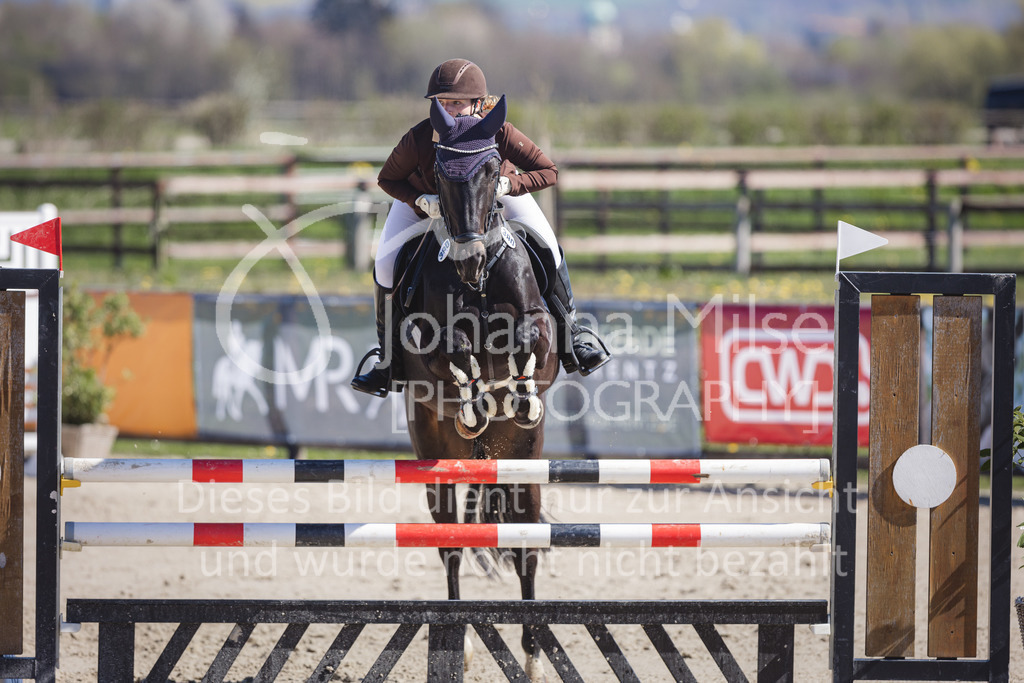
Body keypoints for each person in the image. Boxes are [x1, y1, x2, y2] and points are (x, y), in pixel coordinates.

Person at [351, 58, 610, 397]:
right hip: (427, 202)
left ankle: (573, 335)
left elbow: (549, 171)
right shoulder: (419, 138)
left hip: (491, 195)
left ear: (478, 103)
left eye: (456, 103)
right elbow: (387, 178)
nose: (448, 110)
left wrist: (510, 184)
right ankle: (388, 359)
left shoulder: (499, 131)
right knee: (385, 263)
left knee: (547, 245)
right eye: (441, 102)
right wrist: (419, 200)